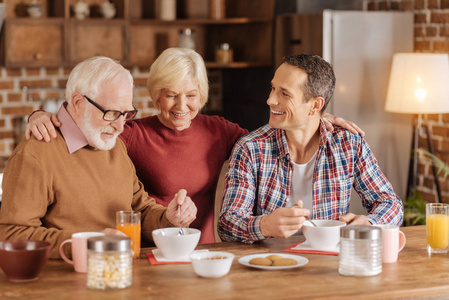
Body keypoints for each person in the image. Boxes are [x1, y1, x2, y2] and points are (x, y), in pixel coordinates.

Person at [25, 48, 364, 244]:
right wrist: (42, 116)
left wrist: (314, 117)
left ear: (201, 96)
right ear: (155, 94)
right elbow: (88, 130)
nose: (180, 106)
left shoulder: (220, 131)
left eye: (190, 96)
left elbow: (273, 134)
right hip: (147, 251)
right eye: (170, 94)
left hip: (204, 252)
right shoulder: (130, 133)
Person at [0, 56, 197, 258]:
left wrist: (169, 218)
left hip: (119, 274)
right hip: (68, 281)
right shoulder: (35, 154)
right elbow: (12, 234)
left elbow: (140, 210)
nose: (121, 126)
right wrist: (89, 243)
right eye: (112, 113)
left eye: (126, 114)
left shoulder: (113, 146)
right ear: (78, 102)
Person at [218, 54, 403, 243]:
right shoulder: (250, 148)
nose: (270, 100)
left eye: (284, 93)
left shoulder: (349, 144)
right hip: (272, 264)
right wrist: (264, 226)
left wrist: (370, 223)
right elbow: (227, 225)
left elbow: (391, 204)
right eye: (273, 88)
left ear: (315, 105)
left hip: (329, 262)